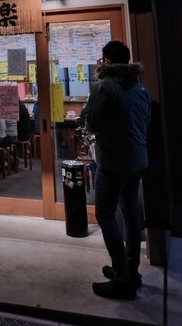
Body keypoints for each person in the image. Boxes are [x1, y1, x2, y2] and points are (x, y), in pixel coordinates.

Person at [82, 40, 151, 300]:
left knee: (105, 214)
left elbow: (92, 124)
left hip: (113, 160)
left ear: (107, 61)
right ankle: (131, 270)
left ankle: (122, 279)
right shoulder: (140, 88)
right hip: (138, 159)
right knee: (131, 212)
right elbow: (147, 121)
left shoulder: (104, 86)